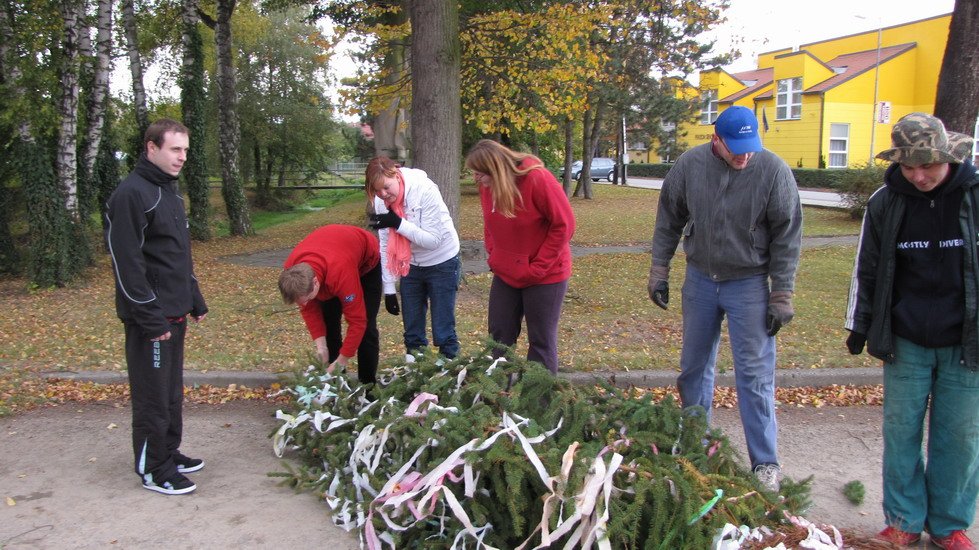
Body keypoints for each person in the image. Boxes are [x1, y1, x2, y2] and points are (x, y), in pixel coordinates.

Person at [647, 105, 803, 493]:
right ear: (716, 139)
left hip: (749, 284)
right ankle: (695, 448)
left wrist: (781, 293)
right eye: (736, 147)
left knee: (754, 375)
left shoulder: (773, 171)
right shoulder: (689, 166)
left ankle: (765, 463)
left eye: (750, 147)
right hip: (700, 279)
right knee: (694, 369)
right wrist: (659, 271)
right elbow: (669, 219)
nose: (744, 155)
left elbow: (787, 234)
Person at [845, 113, 978, 550]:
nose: (919, 176)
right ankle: (902, 520)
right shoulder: (886, 201)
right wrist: (859, 325)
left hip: (967, 341)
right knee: (900, 432)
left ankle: (948, 526)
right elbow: (867, 266)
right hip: (905, 339)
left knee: (959, 436)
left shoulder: (974, 196)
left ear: (947, 158)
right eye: (909, 167)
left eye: (928, 166)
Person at [105, 118, 208, 496]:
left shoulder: (169, 192)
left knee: (170, 393)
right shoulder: (132, 194)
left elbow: (176, 254)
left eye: (185, 150)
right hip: (150, 317)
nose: (182, 157)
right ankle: (154, 468)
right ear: (152, 148)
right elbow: (127, 262)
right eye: (174, 149)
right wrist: (149, 317)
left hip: (175, 310)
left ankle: (169, 450)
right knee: (152, 395)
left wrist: (193, 296)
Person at [464, 139, 576, 374]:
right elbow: (490, 223)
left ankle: (538, 405)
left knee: (541, 341)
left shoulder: (537, 179)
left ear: (495, 169)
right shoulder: (488, 187)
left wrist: (538, 267)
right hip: (506, 273)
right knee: (499, 337)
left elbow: (564, 225)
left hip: (546, 275)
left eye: (480, 174)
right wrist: (494, 254)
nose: (476, 180)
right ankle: (498, 399)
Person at [365, 156, 461, 360]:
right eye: (377, 190)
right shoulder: (381, 202)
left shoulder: (424, 190)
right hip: (410, 266)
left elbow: (433, 240)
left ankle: (449, 378)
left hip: (442, 261)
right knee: (412, 332)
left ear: (396, 175)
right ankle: (416, 378)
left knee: (443, 329)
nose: (383, 194)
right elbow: (384, 245)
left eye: (386, 187)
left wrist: (398, 223)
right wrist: (389, 289)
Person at [279, 224, 382, 384]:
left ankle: (368, 388)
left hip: (366, 263)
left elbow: (357, 321)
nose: (305, 304)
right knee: (329, 326)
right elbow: (309, 311)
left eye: (307, 298)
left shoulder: (340, 273)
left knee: (366, 327)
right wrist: (321, 347)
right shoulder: (293, 274)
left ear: (315, 282)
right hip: (332, 257)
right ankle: (338, 386)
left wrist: (342, 360)